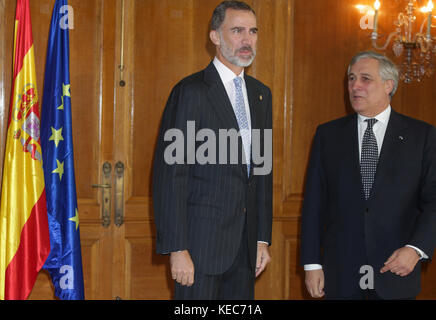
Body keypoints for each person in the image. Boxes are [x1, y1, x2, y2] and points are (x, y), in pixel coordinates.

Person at [152, 0, 272, 300]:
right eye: (237, 30)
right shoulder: (190, 92)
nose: (247, 39)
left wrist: (262, 239)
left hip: (245, 250)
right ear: (215, 36)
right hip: (200, 248)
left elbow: (262, 171)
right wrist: (177, 248)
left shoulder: (261, 95)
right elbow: (171, 175)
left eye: (253, 31)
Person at [300, 51, 436, 300]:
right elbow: (314, 204)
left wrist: (416, 249)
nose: (355, 86)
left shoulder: (422, 136)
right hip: (340, 274)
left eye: (365, 79)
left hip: (396, 271)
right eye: (351, 79)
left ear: (388, 85)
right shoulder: (328, 135)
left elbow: (433, 201)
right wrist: (312, 264)